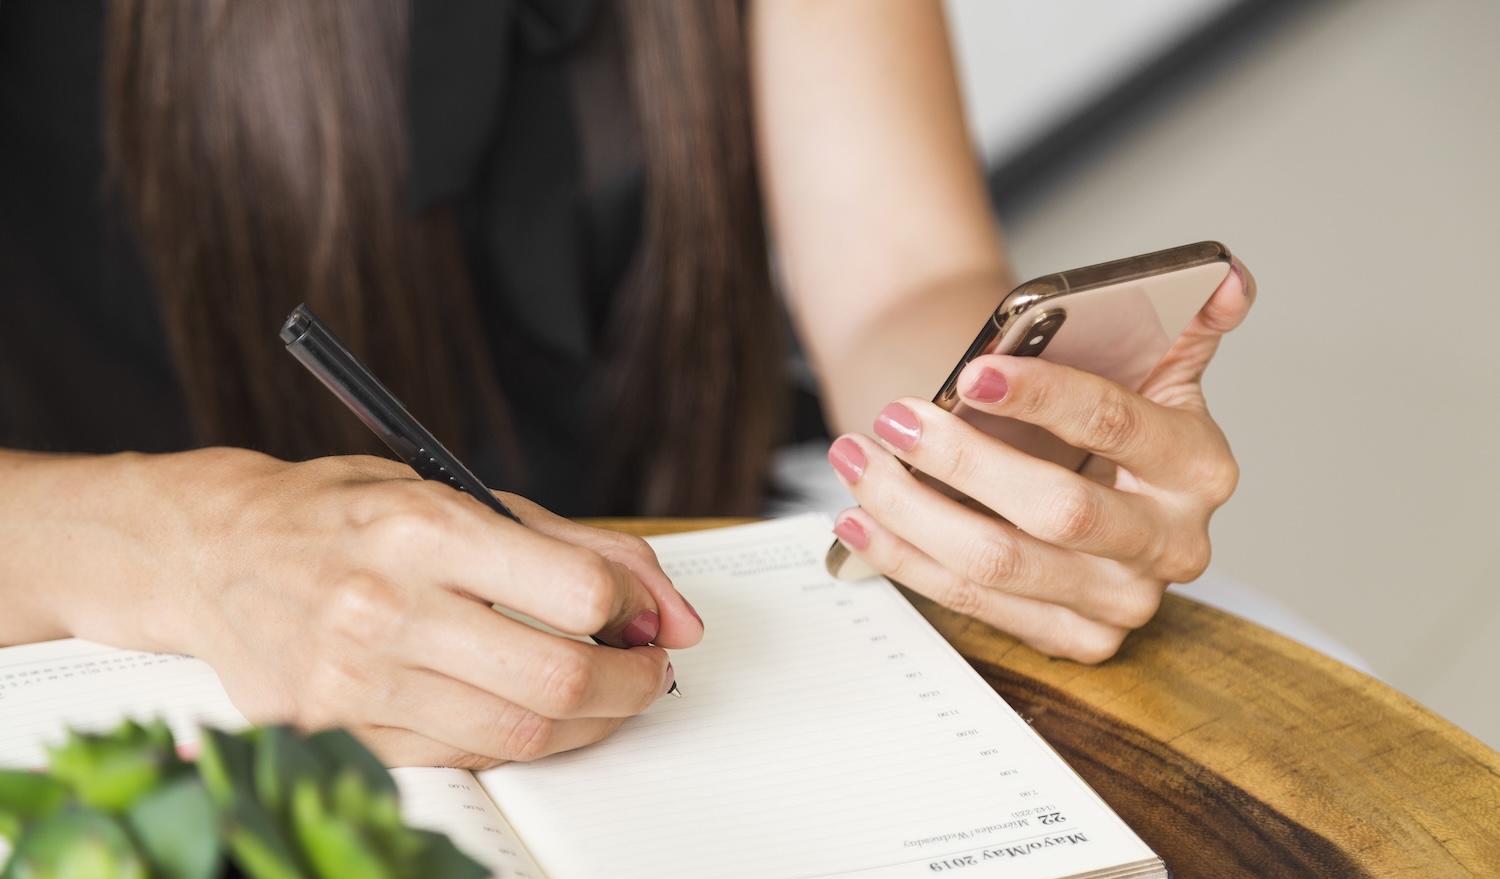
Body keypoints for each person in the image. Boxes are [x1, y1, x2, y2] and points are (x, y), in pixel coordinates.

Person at [0, 0, 1253, 768]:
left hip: (683, 621)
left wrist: (1009, 445)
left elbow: (897, 276)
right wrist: (191, 545)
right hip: (109, 646)